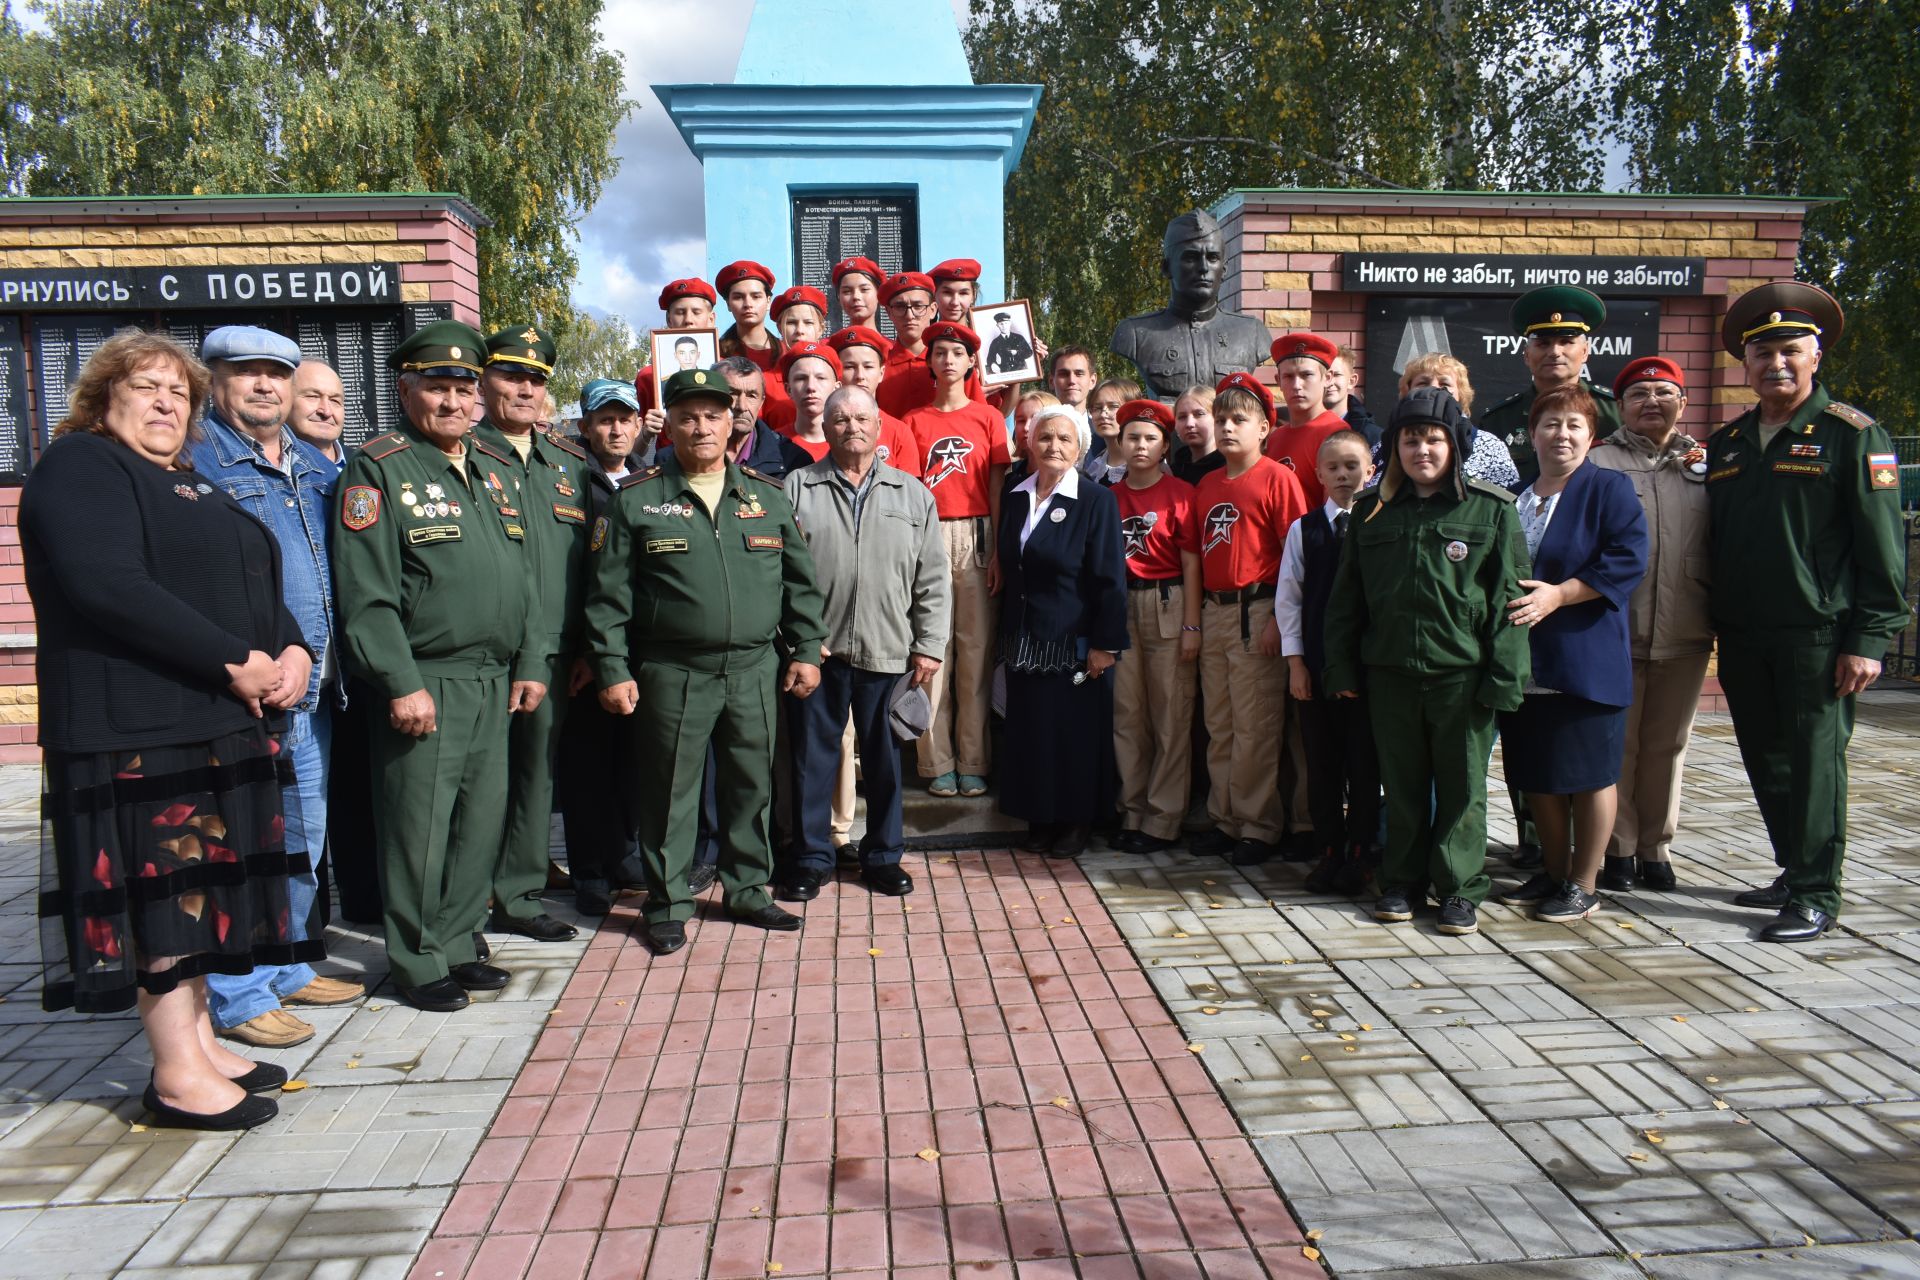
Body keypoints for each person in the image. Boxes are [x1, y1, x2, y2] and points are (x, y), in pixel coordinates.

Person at [25, 328, 318, 1130]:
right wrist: (235, 661)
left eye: (178, 393)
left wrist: (290, 645)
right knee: (165, 903)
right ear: (102, 395)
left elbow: (251, 577)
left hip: (210, 722)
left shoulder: (185, 480)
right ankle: (176, 1074)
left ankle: (198, 1041)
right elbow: (111, 586)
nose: (165, 403)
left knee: (199, 895)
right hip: (138, 730)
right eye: (146, 387)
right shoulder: (82, 465)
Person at [333, 320, 547, 1012]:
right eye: (437, 387)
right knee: (418, 829)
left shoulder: (489, 466)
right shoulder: (379, 469)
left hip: (493, 677)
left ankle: (457, 940)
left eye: (463, 387)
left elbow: (523, 576)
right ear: (406, 390)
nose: (453, 401)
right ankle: (416, 958)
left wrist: (529, 659)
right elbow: (366, 596)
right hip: (427, 679)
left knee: (479, 821)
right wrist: (400, 682)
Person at [585, 367, 829, 956]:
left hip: (753, 670)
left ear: (732, 423)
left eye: (713, 415)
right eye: (688, 416)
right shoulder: (638, 500)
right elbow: (607, 596)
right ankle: (667, 902)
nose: (702, 426)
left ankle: (747, 888)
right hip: (672, 671)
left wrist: (806, 649)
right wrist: (611, 669)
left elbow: (800, 584)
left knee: (751, 786)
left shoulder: (766, 498)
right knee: (669, 791)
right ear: (667, 423)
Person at [1707, 282, 1906, 943]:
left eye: (1791, 352)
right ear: (1746, 365)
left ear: (1815, 357)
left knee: (1816, 762)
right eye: (1762, 355)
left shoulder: (1854, 436)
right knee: (1768, 759)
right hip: (1742, 633)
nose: (1776, 366)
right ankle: (1793, 870)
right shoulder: (1729, 444)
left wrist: (1869, 638)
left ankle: (1819, 892)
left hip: (1818, 635)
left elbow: (1882, 550)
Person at [190, 325, 363, 1049]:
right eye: (246, 372)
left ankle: (288, 962)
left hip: (316, 685)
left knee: (302, 836)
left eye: (276, 373)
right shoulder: (197, 461)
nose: (265, 385)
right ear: (215, 380)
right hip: (246, 688)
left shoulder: (317, 467)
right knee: (243, 841)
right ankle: (237, 989)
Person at [1323, 387, 1531, 938]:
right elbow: (1346, 601)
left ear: (1454, 445)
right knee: (1404, 785)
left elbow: (1512, 601)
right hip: (1388, 674)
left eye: (1433, 439)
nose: (1422, 450)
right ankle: (1402, 882)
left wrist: (1505, 678)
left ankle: (1460, 889)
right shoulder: (1371, 510)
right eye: (1410, 439)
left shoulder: (1489, 509)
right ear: (1394, 447)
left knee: (1462, 790)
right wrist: (1340, 669)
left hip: (1462, 679)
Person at [781, 384, 951, 898]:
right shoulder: (797, 487)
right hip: (820, 654)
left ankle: (882, 856)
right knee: (814, 760)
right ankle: (812, 857)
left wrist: (929, 643)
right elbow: (780, 573)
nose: (851, 426)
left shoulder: (913, 493)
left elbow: (933, 578)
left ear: (879, 428)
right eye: (839, 419)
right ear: (825, 427)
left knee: (885, 764)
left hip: (890, 649)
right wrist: (799, 641)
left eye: (861, 418)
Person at [1493, 387, 1648, 923]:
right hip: (1524, 664)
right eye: (1550, 424)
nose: (1561, 435)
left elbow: (1628, 559)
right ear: (1531, 434)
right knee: (1537, 775)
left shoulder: (1609, 489)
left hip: (1584, 660)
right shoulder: (1513, 495)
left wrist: (1559, 594)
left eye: (1574, 426)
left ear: (1591, 436)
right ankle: (1554, 874)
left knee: (1589, 776)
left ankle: (1585, 883)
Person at [472, 324, 589, 944]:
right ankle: (466, 899)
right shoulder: (462, 455)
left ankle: (517, 894)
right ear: (485, 380)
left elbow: (591, 564)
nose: (524, 389)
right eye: (511, 375)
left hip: (552, 653)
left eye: (536, 379)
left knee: (535, 777)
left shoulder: (568, 464)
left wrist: (587, 649)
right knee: (479, 781)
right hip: (483, 655)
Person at [1589, 357, 1711, 892]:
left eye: (1664, 392)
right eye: (1639, 395)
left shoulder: (1707, 466)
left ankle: (1656, 848)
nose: (1652, 402)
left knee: (1668, 744)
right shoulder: (1598, 463)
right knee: (1621, 745)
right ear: (1621, 407)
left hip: (1686, 627)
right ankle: (1617, 849)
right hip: (1616, 628)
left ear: (1682, 403)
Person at [997, 404, 1129, 855]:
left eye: (1064, 439)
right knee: (1032, 731)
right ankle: (1040, 817)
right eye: (1045, 437)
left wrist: (1105, 644)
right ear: (1030, 442)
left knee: (1074, 733)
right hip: (1023, 636)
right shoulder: (1015, 492)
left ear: (1080, 448)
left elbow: (1109, 577)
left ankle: (1076, 821)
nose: (1053, 446)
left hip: (1075, 640)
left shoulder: (1096, 500)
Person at [1192, 373, 1309, 866]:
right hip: (1214, 611)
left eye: (1239, 420)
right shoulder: (1207, 483)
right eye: (1221, 420)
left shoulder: (1278, 478)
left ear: (1265, 427)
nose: (1227, 429)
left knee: (1256, 725)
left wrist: (1279, 623)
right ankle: (1226, 818)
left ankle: (1259, 826)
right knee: (1220, 723)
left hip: (1256, 608)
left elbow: (1294, 555)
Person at [903, 322, 1010, 799]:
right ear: (929, 362)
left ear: (971, 363)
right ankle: (936, 761)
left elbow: (996, 485)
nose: (948, 359)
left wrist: (997, 550)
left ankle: (973, 759)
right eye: (940, 352)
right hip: (929, 534)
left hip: (977, 532)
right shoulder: (914, 420)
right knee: (932, 655)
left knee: (975, 653)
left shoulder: (986, 417)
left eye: (957, 352)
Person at [1277, 430, 1381, 895]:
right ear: (1317, 474)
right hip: (1316, 670)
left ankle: (1361, 853)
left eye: (1353, 466)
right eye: (1334, 468)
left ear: (1371, 470)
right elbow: (1290, 600)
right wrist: (1296, 664)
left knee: (1364, 766)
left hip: (1367, 670)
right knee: (1322, 766)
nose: (1344, 476)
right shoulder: (1305, 529)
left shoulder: (1381, 523)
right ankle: (1329, 851)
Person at [559, 379, 647, 916]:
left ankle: (624, 857)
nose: (615, 428)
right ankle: (589, 870)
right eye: (604, 419)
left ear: (638, 425)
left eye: (624, 419)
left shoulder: (652, 482)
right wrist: (588, 651)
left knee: (632, 763)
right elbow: (571, 575)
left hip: (640, 647)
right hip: (587, 654)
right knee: (586, 765)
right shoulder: (567, 483)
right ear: (586, 427)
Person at [1109, 400, 1202, 854]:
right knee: (1128, 716)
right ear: (1120, 442)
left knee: (1170, 715)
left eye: (1150, 438)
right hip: (1122, 603)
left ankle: (1163, 819)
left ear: (1166, 444)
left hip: (1169, 602)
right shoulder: (1108, 497)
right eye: (1133, 437)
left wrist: (1191, 624)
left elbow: (1191, 562)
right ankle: (1132, 810)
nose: (1140, 446)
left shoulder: (1181, 494)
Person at [1110, 209, 1269, 399]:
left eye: (1212, 258)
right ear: (1166, 268)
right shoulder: (1134, 334)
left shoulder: (1252, 333)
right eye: (1190, 258)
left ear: (1224, 269)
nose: (1203, 268)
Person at [1480, 285, 1622, 488]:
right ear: (1527, 355)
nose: (1555, 352)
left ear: (1585, 352)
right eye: (1543, 343)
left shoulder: (1615, 412)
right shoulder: (1497, 421)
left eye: (1566, 341)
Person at [1398, 354, 1520, 491]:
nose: (1434, 389)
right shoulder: (1390, 442)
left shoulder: (1490, 446)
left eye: (1444, 384)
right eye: (1423, 383)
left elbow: (1505, 502)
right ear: (1407, 391)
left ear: (1460, 394)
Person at [1265, 333, 1351, 510]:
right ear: (1278, 381)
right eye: (1288, 376)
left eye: (1306, 375)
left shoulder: (1336, 434)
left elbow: (1337, 512)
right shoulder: (1275, 437)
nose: (1297, 385)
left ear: (1326, 378)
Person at [826, 325, 922, 476]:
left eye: (868, 366)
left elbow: (909, 494)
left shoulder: (898, 432)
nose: (860, 376)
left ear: (881, 372)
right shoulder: (826, 428)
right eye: (850, 367)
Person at [711, 358, 812, 480]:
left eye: (751, 396)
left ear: (761, 402)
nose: (742, 406)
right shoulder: (687, 451)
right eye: (732, 393)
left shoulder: (792, 460)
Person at [633, 276, 720, 420]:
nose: (688, 320)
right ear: (669, 320)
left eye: (696, 312)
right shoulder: (648, 377)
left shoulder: (726, 370)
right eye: (680, 312)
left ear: (711, 319)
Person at [716, 260, 788, 422]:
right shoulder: (716, 355)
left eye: (756, 296)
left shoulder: (787, 356)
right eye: (738, 297)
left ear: (768, 301)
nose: (748, 304)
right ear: (728, 303)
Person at [876, 271, 942, 419]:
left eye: (918, 306)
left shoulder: (950, 361)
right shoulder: (878, 366)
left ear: (932, 310)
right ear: (889, 312)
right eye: (900, 307)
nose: (910, 315)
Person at [776, 340, 841, 461]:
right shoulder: (771, 445)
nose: (811, 386)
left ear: (836, 388)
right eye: (801, 378)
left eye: (820, 378)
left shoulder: (849, 442)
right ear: (788, 389)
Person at [288, 359, 347, 466]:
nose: (326, 412)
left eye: (335, 400)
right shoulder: (262, 471)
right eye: (313, 396)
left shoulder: (364, 465)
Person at [1085, 377, 1142, 484]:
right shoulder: (1094, 468)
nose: (1103, 414)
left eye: (1113, 406)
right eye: (1097, 408)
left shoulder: (1148, 466)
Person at [1325, 346, 1381, 453]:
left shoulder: (1373, 437)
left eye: (1336, 374)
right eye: (1325, 375)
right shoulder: (1300, 430)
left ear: (1352, 381)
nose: (1330, 382)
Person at [1169, 384, 1222, 484]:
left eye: (1199, 414)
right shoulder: (1172, 473)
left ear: (1217, 418)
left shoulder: (1230, 469)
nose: (1189, 424)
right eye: (1182, 417)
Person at [833, 256, 887, 338]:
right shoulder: (827, 348)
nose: (856, 297)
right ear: (839, 296)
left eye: (864, 289)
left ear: (878, 293)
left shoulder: (893, 349)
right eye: (847, 291)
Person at [985, 310, 1034, 379]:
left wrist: (1017, 353)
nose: (1004, 326)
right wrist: (993, 364)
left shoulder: (1019, 338)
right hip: (1005, 373)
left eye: (1006, 323)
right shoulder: (995, 342)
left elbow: (1029, 352)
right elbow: (990, 358)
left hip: (1021, 371)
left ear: (1010, 323)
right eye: (1001, 324)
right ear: (997, 325)